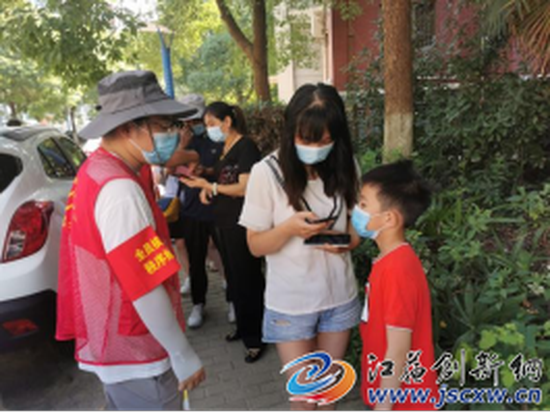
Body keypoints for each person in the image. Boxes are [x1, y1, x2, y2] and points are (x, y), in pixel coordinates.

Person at [56, 70, 205, 410]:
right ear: (127, 128)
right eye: (164, 125)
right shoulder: (120, 190)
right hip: (138, 348)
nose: (173, 134)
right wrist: (182, 352)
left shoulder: (97, 170)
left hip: (118, 335)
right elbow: (144, 284)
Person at [239, 83, 362, 410]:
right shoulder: (266, 173)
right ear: (290, 129)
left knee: (328, 397)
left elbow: (357, 223)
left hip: (339, 298)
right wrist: (289, 229)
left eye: (324, 141)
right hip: (291, 305)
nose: (315, 148)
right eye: (306, 139)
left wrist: (348, 241)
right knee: (306, 400)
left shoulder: (346, 165)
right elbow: (255, 245)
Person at [180, 101, 265, 363]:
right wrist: (205, 176)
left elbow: (244, 187)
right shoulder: (225, 147)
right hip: (224, 221)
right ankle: (244, 327)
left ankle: (256, 338)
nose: (209, 130)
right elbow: (222, 175)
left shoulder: (246, 146)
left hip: (242, 223)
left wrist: (210, 187)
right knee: (235, 279)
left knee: (248, 279)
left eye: (211, 124)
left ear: (227, 122)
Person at [351, 160, 438, 411]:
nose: (356, 209)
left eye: (363, 204)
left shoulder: (398, 270)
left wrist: (383, 405)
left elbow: (398, 350)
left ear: (389, 218)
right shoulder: (390, 260)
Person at [175, 94, 231, 329]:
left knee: (226, 255)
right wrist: (182, 145)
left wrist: (205, 171)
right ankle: (198, 304)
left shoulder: (218, 139)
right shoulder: (183, 142)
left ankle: (233, 300)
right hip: (192, 210)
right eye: (187, 121)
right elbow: (171, 166)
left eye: (196, 120)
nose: (192, 125)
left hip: (219, 208)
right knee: (196, 259)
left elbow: (225, 169)